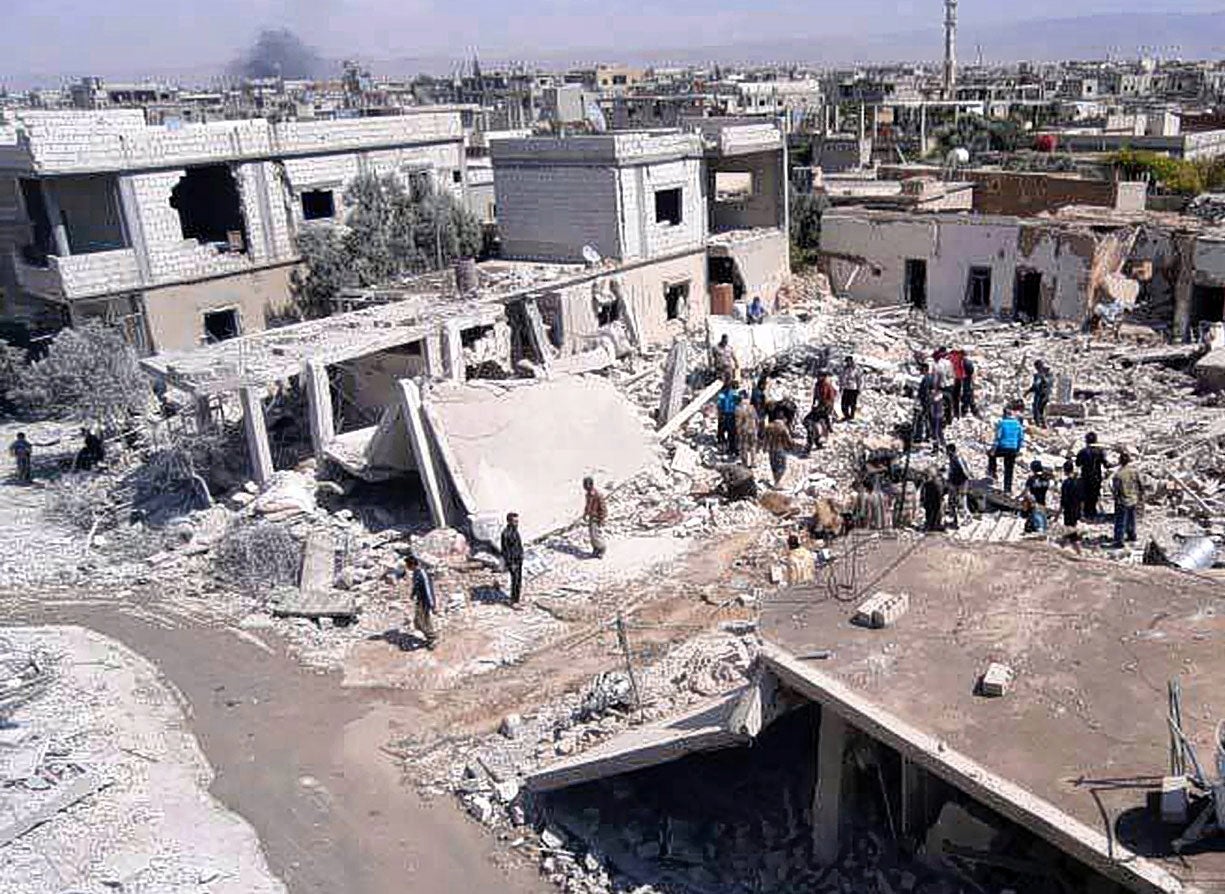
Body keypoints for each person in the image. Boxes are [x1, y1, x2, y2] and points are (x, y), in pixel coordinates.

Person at [987, 408, 1024, 494]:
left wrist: (993, 449)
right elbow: (1021, 438)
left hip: (1002, 447)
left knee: (991, 455)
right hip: (1013, 449)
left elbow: (998, 437)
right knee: (1009, 469)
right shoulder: (1018, 424)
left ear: (1004, 415)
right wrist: (1017, 449)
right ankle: (1007, 490)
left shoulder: (1002, 423)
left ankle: (992, 471)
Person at [1111, 453, 1144, 548]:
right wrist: (1140, 496)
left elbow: (1116, 490)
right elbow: (1140, 484)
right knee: (1131, 519)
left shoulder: (1118, 475)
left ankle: (1119, 541)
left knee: (1120, 521)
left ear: (1120, 461)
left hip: (1123, 500)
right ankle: (1132, 536)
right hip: (1133, 498)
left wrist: (1116, 499)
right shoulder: (1134, 472)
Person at [1075, 432, 1110, 520]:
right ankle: (1093, 513)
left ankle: (1086, 513)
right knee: (1094, 495)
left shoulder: (1082, 452)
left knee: (1086, 495)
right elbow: (1106, 464)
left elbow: (1077, 464)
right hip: (1096, 477)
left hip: (1086, 477)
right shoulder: (1100, 451)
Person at [405, 555, 437, 650]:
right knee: (419, 621)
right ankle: (430, 636)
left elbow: (428, 590)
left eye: (408, 565)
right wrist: (413, 594)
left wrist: (432, 605)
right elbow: (416, 585)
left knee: (421, 620)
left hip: (425, 601)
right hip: (420, 600)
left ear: (412, 565)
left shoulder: (422, 574)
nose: (407, 567)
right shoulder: (416, 573)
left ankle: (432, 638)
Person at [500, 512, 524, 608]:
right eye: (515, 521)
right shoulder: (506, 533)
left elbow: (518, 545)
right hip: (513, 561)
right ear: (509, 521)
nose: (517, 523)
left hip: (518, 560)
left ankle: (515, 599)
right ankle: (514, 601)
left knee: (518, 581)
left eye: (517, 521)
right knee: (515, 581)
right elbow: (505, 550)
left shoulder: (515, 531)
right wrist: (510, 563)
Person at [945, 443, 971, 529]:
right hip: (955, 483)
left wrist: (963, 483)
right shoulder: (953, 459)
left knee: (961, 502)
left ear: (951, 451)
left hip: (960, 484)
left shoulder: (958, 459)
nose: (947, 453)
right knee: (954, 503)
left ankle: (966, 518)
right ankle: (957, 521)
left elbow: (966, 473)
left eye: (948, 451)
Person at [1060, 460, 1083, 553]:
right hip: (1076, 509)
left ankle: (1078, 551)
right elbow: (1082, 498)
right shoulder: (1079, 482)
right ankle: (1062, 547)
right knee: (1070, 530)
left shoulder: (1066, 483)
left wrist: (1058, 513)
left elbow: (1063, 500)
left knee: (1070, 532)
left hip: (1068, 510)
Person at [582, 477, 608, 558]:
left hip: (596, 517)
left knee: (595, 535)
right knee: (591, 535)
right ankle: (595, 548)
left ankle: (602, 548)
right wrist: (585, 513)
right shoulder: (588, 495)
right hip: (591, 516)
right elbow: (588, 505)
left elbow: (603, 508)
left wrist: (602, 519)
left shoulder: (597, 495)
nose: (585, 487)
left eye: (586, 485)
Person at [763, 418, 793, 487]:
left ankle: (775, 480)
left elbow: (765, 439)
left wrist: (764, 448)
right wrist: (791, 445)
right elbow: (788, 438)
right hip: (780, 448)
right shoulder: (783, 427)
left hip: (771, 449)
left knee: (774, 465)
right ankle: (778, 481)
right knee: (782, 466)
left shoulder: (768, 427)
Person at [1025, 360, 1053, 428]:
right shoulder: (1041, 375)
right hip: (1042, 394)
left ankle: (1040, 424)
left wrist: (1042, 377)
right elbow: (1035, 385)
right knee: (1038, 409)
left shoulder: (1045, 374)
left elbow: (1045, 383)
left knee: (1038, 409)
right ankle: (1041, 424)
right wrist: (1028, 392)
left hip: (1042, 394)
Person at [716, 382, 741, 456]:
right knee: (732, 433)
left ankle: (724, 447)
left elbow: (719, 406)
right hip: (731, 415)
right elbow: (738, 402)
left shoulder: (721, 395)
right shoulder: (734, 393)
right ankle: (733, 448)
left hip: (724, 415)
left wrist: (720, 415)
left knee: (721, 432)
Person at [734, 394, 758, 469]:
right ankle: (753, 462)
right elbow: (756, 419)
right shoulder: (752, 407)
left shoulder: (738, 409)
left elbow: (738, 422)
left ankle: (745, 463)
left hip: (744, 430)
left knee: (743, 447)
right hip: (752, 429)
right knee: (752, 446)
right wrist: (756, 428)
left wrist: (738, 431)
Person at [920, 468, 946, 533]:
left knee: (933, 512)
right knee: (932, 512)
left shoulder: (932, 483)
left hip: (933, 501)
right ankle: (933, 525)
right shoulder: (932, 483)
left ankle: (932, 525)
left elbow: (939, 492)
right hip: (932, 501)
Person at [838, 356, 863, 422]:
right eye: (847, 361)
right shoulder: (844, 369)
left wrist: (859, 388)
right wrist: (841, 387)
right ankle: (846, 415)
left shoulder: (856, 369)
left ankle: (851, 416)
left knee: (852, 403)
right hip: (846, 388)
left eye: (849, 361)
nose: (848, 363)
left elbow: (860, 380)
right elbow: (841, 378)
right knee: (844, 404)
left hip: (853, 389)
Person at [914, 362, 934, 444]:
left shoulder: (926, 379)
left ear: (925, 369)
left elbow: (924, 392)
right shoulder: (931, 377)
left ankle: (918, 437)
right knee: (929, 419)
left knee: (920, 419)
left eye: (921, 369)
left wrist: (921, 403)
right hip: (931, 402)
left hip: (926, 402)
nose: (920, 371)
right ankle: (929, 436)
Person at [949, 348, 967, 420]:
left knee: (953, 397)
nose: (963, 357)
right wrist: (963, 376)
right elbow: (960, 370)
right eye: (963, 355)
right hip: (957, 380)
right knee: (956, 397)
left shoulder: (951, 358)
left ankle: (954, 413)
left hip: (952, 380)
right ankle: (956, 414)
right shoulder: (958, 360)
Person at [960, 351, 979, 418]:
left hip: (963, 380)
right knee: (969, 394)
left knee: (966, 394)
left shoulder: (960, 362)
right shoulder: (968, 362)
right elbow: (971, 370)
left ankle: (965, 409)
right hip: (967, 379)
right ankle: (972, 409)